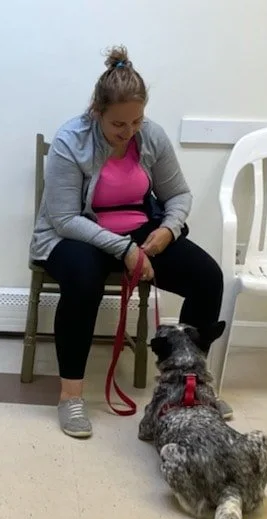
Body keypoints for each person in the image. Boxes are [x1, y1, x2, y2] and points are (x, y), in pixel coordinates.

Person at [29, 46, 230, 439]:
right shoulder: (72, 139)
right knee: (83, 281)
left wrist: (168, 230)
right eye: (119, 124)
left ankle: (188, 387)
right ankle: (70, 395)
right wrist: (124, 249)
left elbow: (179, 195)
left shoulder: (149, 135)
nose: (129, 131)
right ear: (97, 111)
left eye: (137, 121)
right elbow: (64, 218)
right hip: (77, 233)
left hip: (140, 230)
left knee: (208, 278)